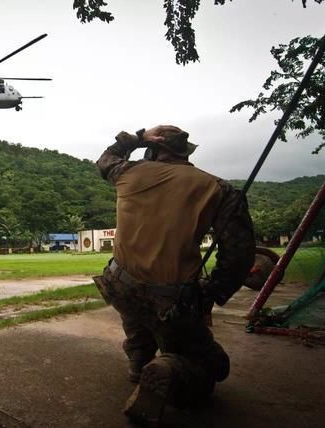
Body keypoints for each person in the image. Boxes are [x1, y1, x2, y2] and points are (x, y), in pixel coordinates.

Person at [93, 125, 255, 425]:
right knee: (214, 366)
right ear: (185, 152)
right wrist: (211, 292)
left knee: (137, 313)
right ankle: (171, 369)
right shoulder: (219, 189)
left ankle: (140, 361)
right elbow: (239, 255)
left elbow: (106, 158)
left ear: (153, 150)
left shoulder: (128, 173)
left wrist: (138, 138)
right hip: (170, 299)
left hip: (118, 285)